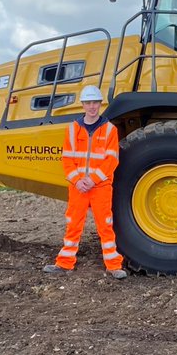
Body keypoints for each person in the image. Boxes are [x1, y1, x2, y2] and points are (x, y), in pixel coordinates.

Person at [43, 85, 127, 279]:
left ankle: (113, 266)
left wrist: (92, 180)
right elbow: (67, 159)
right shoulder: (73, 129)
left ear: (100, 104)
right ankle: (64, 263)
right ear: (83, 105)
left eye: (95, 103)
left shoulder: (109, 130)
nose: (92, 107)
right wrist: (78, 180)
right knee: (73, 224)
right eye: (88, 103)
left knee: (105, 225)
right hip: (78, 186)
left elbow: (111, 159)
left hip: (100, 186)